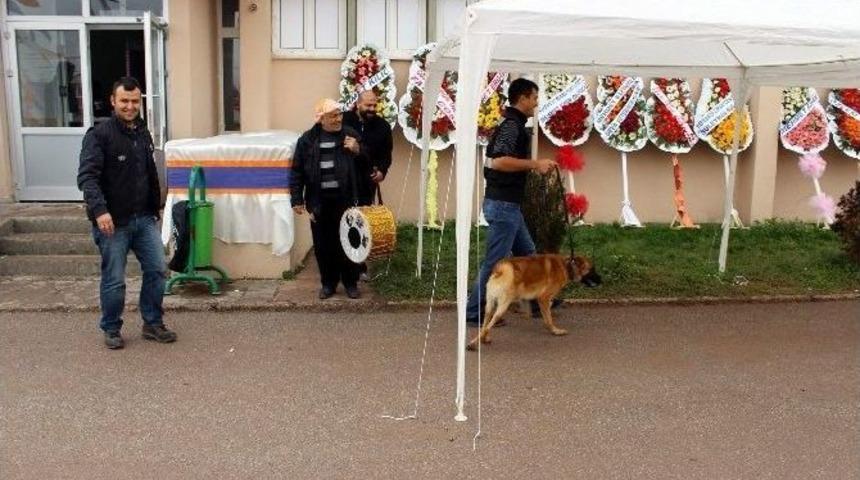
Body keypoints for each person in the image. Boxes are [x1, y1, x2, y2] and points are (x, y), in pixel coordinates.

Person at [77, 76, 177, 349]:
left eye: (135, 101)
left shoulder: (142, 133)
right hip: (112, 222)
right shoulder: (99, 136)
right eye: (124, 101)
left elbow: (148, 174)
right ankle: (111, 328)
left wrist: (156, 207)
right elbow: (87, 178)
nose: (130, 106)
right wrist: (100, 211)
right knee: (114, 280)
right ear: (113, 101)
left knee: (157, 269)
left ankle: (152, 323)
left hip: (143, 219)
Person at [465, 78, 557, 324]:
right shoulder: (511, 126)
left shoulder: (513, 123)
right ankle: (474, 311)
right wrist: (536, 164)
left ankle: (536, 303)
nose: (536, 103)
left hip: (508, 205)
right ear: (523, 98)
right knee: (494, 263)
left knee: (529, 254)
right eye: (534, 98)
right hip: (503, 204)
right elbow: (499, 161)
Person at [291, 98, 367, 300]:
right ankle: (328, 284)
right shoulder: (307, 140)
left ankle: (351, 283)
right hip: (319, 202)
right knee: (324, 246)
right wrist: (297, 198)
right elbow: (297, 170)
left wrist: (358, 150)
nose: (338, 119)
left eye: (339, 114)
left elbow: (368, 166)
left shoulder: (350, 135)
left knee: (350, 242)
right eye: (333, 115)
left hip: (346, 201)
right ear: (321, 119)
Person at [342, 90, 393, 281]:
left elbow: (386, 156)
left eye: (374, 105)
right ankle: (340, 265)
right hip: (343, 180)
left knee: (359, 223)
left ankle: (358, 264)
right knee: (340, 221)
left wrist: (381, 171)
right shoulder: (344, 121)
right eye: (368, 105)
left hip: (365, 183)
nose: (372, 109)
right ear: (358, 104)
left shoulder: (383, 126)